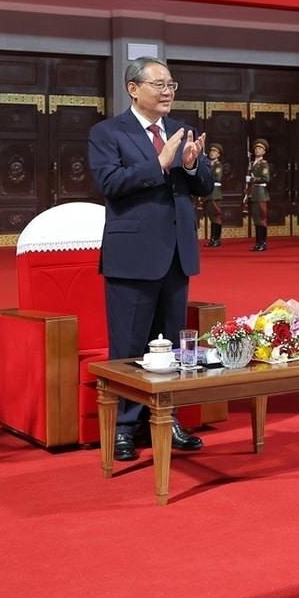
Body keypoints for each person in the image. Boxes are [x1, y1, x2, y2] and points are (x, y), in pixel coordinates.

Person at [88, 56, 213, 461]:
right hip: (133, 254)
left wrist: (192, 166)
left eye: (171, 85)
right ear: (133, 88)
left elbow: (205, 186)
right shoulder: (108, 132)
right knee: (128, 344)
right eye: (159, 84)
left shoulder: (182, 129)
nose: (167, 92)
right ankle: (126, 427)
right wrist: (157, 164)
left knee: (172, 344)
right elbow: (110, 183)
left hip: (177, 253)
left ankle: (167, 417)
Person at [247, 138, 270, 252]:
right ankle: (258, 242)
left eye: (260, 149)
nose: (257, 150)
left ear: (264, 152)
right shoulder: (252, 164)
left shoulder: (263, 164)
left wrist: (253, 179)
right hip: (253, 194)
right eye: (256, 148)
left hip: (260, 194)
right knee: (256, 219)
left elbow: (265, 179)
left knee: (261, 219)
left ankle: (263, 243)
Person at [204, 143, 225, 247]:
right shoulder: (209, 164)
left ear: (218, 155)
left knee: (216, 217)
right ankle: (212, 239)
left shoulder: (218, 165)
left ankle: (217, 239)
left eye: (215, 152)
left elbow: (217, 177)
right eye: (211, 151)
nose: (212, 153)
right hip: (209, 193)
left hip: (215, 193)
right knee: (212, 217)